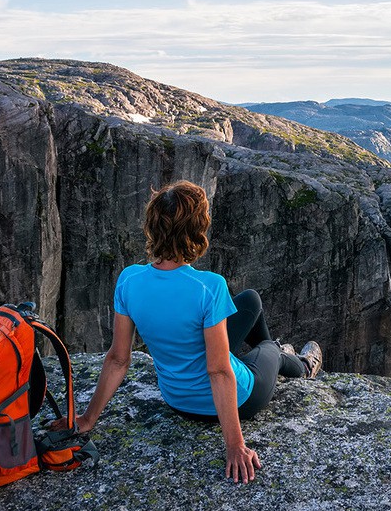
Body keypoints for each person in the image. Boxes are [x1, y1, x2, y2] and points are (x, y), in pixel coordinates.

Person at [58, 180, 322, 483]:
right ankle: (299, 364)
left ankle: (277, 356)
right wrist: (235, 445)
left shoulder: (129, 280)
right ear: (198, 230)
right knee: (270, 349)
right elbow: (220, 371)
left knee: (250, 300)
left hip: (178, 401)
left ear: (153, 225)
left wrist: (86, 420)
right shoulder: (209, 286)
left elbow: (118, 359)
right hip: (242, 398)